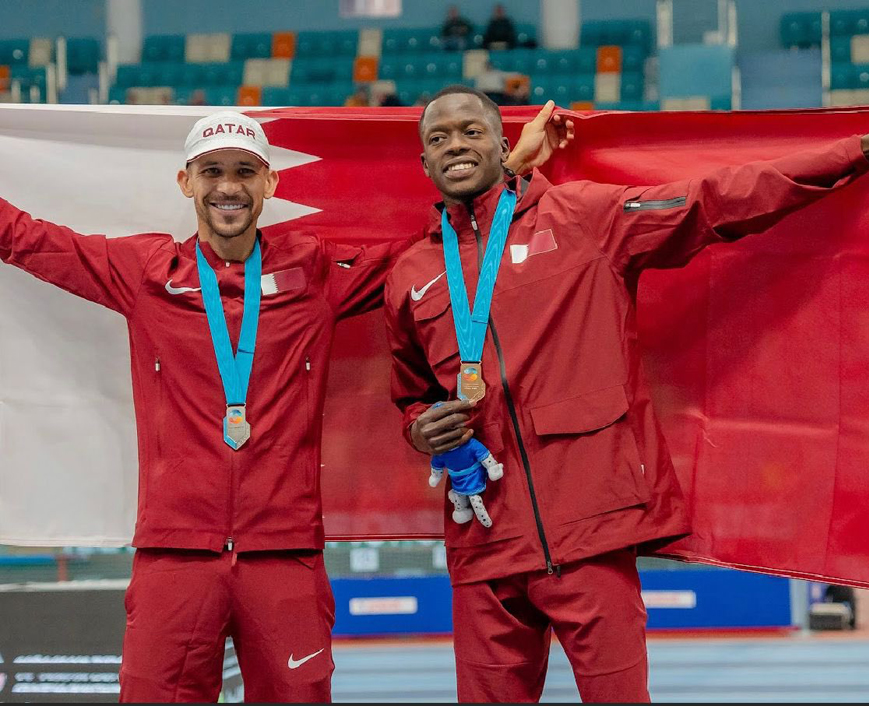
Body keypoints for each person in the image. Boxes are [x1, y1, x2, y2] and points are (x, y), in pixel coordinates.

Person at [383, 85, 869, 702]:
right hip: (484, 545)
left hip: (591, 532)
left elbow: (720, 199)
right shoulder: (412, 271)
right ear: (423, 164)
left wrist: (867, 148)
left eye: (471, 131)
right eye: (438, 138)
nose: (455, 146)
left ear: (504, 144)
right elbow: (410, 395)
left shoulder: (584, 219)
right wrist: (421, 428)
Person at [0, 107, 567, 703]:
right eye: (211, 170)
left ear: (270, 183)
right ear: (185, 182)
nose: (228, 186)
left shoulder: (314, 268)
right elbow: (24, 238)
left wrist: (508, 171)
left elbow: (433, 254)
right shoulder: (145, 271)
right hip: (175, 556)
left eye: (246, 171)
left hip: (284, 555)